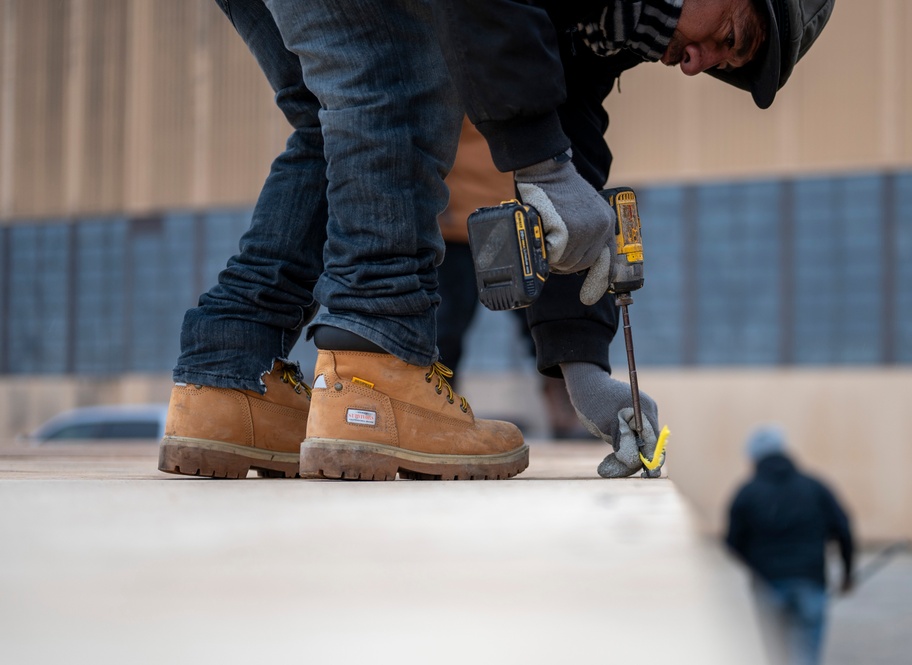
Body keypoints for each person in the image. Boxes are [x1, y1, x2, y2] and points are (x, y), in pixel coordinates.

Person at [158, 0, 835, 481]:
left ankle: (230, 374)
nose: (700, 64)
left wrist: (584, 368)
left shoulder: (617, 18)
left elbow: (569, 146)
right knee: (394, 79)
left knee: (328, 110)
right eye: (732, 35)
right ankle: (374, 367)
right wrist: (541, 166)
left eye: (726, 62)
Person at [436, 117, 591, 440]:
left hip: (523, 217)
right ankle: (437, 410)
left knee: (550, 321)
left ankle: (567, 409)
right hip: (456, 221)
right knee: (443, 329)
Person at [725, 425, 855, 665]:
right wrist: (847, 574)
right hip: (811, 581)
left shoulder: (747, 493)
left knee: (773, 656)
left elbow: (732, 544)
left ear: (753, 458)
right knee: (806, 657)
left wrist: (755, 568)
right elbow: (843, 529)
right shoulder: (815, 487)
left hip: (767, 585)